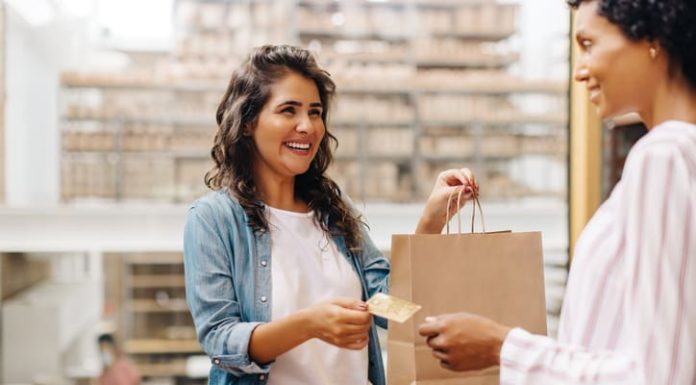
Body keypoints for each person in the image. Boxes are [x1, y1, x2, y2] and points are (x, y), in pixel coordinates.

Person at [417, 0, 696, 384]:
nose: (580, 71)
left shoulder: (663, 155)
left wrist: (502, 347)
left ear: (651, 38)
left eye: (588, 44)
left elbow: (657, 376)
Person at [183, 44, 477, 385]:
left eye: (315, 111)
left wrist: (432, 221)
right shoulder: (213, 219)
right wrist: (309, 324)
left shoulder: (333, 210)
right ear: (248, 122)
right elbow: (220, 341)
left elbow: (391, 310)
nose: (307, 126)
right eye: (288, 110)